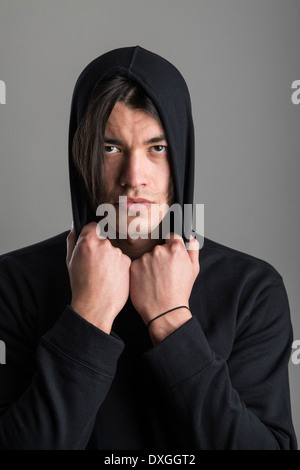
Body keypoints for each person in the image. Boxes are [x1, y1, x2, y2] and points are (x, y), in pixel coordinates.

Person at [0, 46, 297, 450]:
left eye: (157, 148)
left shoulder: (252, 290)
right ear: (81, 157)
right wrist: (86, 317)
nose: (133, 177)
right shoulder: (13, 284)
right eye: (111, 148)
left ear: (182, 154)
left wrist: (172, 322)